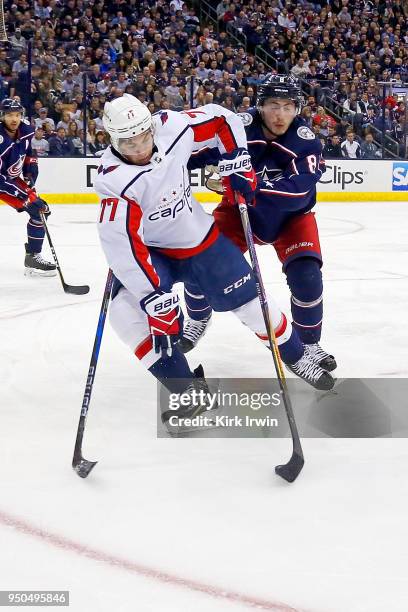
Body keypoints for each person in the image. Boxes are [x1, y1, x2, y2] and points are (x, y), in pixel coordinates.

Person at [94, 95, 334, 429]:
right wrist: (153, 298)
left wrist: (238, 160)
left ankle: (297, 356)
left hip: (200, 240)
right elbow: (122, 245)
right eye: (129, 142)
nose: (140, 148)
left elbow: (222, 119)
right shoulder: (113, 179)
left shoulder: (171, 127)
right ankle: (189, 392)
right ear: (112, 139)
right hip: (154, 253)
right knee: (121, 309)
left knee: (252, 305)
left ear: (152, 126)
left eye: (144, 136)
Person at [184, 75, 337, 376]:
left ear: (297, 108)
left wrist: (248, 183)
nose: (280, 114)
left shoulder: (305, 141)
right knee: (198, 263)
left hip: (291, 218)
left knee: (307, 277)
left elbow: (297, 193)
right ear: (260, 106)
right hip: (238, 214)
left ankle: (308, 344)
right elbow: (191, 154)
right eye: (273, 106)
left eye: (288, 106)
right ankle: (198, 318)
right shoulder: (237, 127)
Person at [0, 98, 56, 276]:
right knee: (37, 208)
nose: (14, 119)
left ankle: (33, 257)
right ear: (2, 116)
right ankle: (32, 257)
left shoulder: (24, 131)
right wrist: (21, 194)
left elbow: (29, 154)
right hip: (3, 181)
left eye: (17, 115)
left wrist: (30, 172)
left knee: (40, 209)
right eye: (9, 115)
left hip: (11, 178)